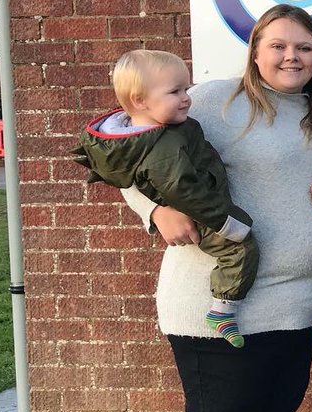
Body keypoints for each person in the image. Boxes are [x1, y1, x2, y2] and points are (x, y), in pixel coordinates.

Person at [119, 4, 312, 412]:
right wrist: (155, 210)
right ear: (255, 52)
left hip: (297, 306)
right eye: (278, 46)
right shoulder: (214, 101)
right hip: (217, 308)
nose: (292, 56)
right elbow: (124, 148)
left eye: (304, 47)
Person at [73, 50, 259, 348]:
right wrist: (227, 223)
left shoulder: (151, 132)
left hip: (200, 204)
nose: (187, 98)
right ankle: (223, 310)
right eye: (175, 91)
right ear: (139, 101)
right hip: (203, 215)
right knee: (241, 249)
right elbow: (185, 191)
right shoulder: (163, 148)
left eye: (186, 88)